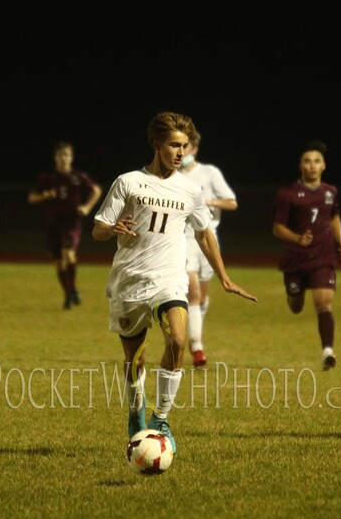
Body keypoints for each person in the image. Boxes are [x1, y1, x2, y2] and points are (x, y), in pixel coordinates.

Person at [92, 111, 256, 454]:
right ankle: (136, 409)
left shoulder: (190, 190)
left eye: (184, 146)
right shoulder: (128, 182)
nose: (180, 152)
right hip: (129, 282)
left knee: (178, 340)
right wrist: (112, 230)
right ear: (157, 144)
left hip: (170, 280)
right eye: (173, 145)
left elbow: (204, 233)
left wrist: (224, 277)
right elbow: (97, 229)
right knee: (135, 360)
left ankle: (161, 418)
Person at [272, 140, 341, 371]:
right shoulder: (288, 194)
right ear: (300, 166)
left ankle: (328, 352)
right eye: (307, 161)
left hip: (323, 257)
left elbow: (333, 216)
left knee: (323, 303)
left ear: (323, 165)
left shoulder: (330, 192)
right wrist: (297, 238)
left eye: (317, 161)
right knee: (296, 306)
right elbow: (277, 228)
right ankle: (293, 292)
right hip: (295, 259)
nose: (312, 165)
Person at [179, 130, 238, 368]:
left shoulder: (209, 173)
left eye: (187, 147)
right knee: (192, 293)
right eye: (178, 147)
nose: (182, 152)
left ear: (195, 149)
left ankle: (196, 330)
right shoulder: (171, 176)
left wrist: (209, 202)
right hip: (183, 238)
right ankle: (196, 347)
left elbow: (231, 202)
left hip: (208, 237)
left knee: (201, 297)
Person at [28, 142, 102, 309]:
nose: (63, 158)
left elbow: (96, 190)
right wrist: (44, 196)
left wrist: (87, 207)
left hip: (71, 223)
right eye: (60, 155)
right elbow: (31, 198)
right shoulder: (48, 177)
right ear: (55, 158)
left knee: (68, 254)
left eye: (66, 155)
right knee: (59, 263)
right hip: (53, 224)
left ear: (71, 157)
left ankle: (72, 288)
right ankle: (68, 292)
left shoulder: (78, 176)